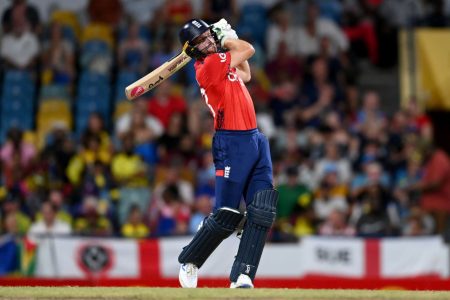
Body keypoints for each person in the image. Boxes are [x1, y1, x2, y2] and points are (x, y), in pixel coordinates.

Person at [176, 18, 278, 289]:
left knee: (262, 210)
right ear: (193, 49)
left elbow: (245, 73)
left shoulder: (221, 61)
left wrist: (226, 41)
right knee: (227, 214)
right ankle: (190, 260)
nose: (209, 41)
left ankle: (242, 276)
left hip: (255, 139)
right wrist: (228, 39)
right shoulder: (207, 66)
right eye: (203, 40)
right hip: (231, 141)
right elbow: (249, 50)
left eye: (210, 35)